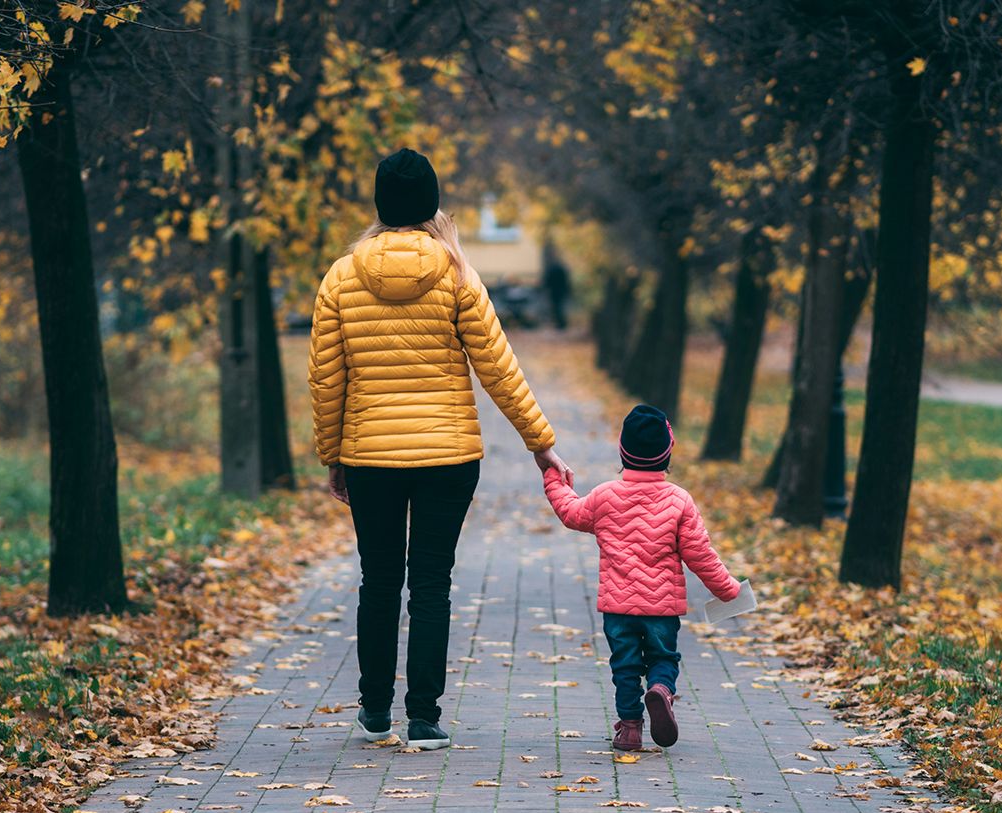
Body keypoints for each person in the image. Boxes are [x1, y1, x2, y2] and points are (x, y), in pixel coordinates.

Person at [307, 148, 574, 751]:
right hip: (449, 458)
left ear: (380, 205)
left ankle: (374, 712)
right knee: (431, 583)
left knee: (378, 581)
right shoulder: (457, 274)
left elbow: (327, 378)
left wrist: (333, 455)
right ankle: (423, 719)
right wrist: (541, 445)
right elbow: (498, 368)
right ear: (431, 204)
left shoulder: (341, 278)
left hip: (370, 456)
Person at [540, 404, 741, 751]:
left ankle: (630, 728)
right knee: (663, 659)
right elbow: (700, 555)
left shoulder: (604, 496)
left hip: (618, 610)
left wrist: (552, 476)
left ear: (623, 451)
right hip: (662, 609)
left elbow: (571, 513)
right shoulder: (680, 501)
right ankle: (661, 690)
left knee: (625, 667)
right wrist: (728, 589)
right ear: (667, 453)